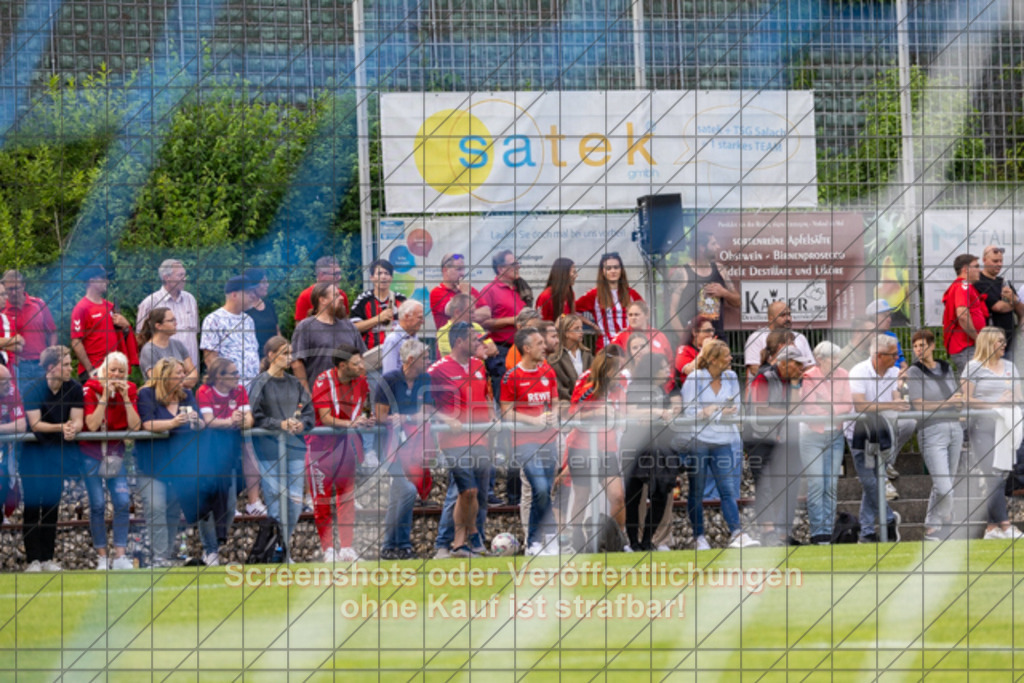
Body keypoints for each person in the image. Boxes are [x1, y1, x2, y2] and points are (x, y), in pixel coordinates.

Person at [682, 340, 758, 549]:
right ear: (713, 359)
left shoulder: (731, 377)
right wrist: (715, 412)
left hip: (723, 441)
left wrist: (711, 412)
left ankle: (737, 533)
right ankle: (699, 537)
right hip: (699, 441)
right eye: (726, 355)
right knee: (696, 490)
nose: (731, 358)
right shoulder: (695, 378)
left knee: (727, 489)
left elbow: (734, 409)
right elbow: (690, 412)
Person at [428, 322, 495, 558]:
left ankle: (465, 542)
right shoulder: (437, 370)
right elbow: (426, 406)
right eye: (474, 339)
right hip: (455, 441)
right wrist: (447, 419)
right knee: (467, 491)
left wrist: (492, 417)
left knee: (477, 493)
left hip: (482, 439)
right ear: (458, 342)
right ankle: (458, 541)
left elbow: (485, 396)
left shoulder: (479, 365)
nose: (479, 343)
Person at [248, 337, 316, 555]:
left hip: (294, 450)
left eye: (291, 353)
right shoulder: (259, 383)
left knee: (295, 503)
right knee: (275, 504)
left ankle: (282, 549)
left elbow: (309, 412)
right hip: (268, 451)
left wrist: (300, 424)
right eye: (285, 353)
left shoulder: (294, 382)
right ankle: (277, 551)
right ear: (271, 356)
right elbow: (255, 416)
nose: (290, 358)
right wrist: (280, 424)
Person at [308, 345, 372, 563]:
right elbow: (325, 419)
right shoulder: (323, 381)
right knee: (322, 500)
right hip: (320, 447)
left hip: (345, 445)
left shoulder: (361, 382)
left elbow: (360, 411)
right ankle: (328, 550)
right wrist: (352, 423)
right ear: (342, 365)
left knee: (347, 498)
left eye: (361, 360)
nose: (362, 365)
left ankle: (347, 548)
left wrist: (365, 420)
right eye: (357, 363)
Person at [137, 358, 203, 566]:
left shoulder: (187, 395)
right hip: (151, 466)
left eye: (184, 373)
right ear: (165, 376)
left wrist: (195, 422)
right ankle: (159, 557)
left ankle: (165, 555)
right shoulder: (146, 394)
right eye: (179, 374)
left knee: (173, 511)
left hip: (179, 467)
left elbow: (201, 422)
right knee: (156, 507)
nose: (184, 377)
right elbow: (147, 424)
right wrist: (173, 423)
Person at [22, 346, 82, 572]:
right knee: (31, 507)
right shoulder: (32, 388)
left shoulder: (75, 388)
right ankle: (33, 561)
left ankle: (47, 559)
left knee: (51, 506)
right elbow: (35, 424)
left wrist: (72, 429)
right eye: (66, 364)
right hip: (32, 455)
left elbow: (78, 420)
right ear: (51, 367)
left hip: (57, 455)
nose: (70, 368)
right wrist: (61, 427)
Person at [845, 335, 911, 543]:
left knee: (872, 482)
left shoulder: (893, 372)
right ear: (879, 356)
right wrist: (893, 405)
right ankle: (889, 519)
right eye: (894, 355)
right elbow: (861, 406)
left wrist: (900, 393)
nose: (898, 359)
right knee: (869, 481)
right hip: (859, 433)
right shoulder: (858, 371)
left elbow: (895, 399)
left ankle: (866, 532)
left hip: (881, 432)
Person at [500, 328, 559, 555]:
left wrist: (554, 413)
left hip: (549, 440)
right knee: (541, 488)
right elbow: (507, 412)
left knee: (543, 492)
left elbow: (555, 401)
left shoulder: (548, 371)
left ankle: (538, 542)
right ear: (527, 348)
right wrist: (534, 421)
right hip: (525, 442)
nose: (544, 346)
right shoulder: (511, 376)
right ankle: (541, 538)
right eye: (539, 343)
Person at [962, 327, 1024, 540]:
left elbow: (1019, 394)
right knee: (993, 474)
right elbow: (966, 399)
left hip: (1006, 426)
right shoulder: (973, 367)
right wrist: (995, 402)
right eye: (999, 340)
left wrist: (1012, 397)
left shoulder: (1009, 366)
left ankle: (991, 529)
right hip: (983, 427)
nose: (1004, 344)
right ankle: (1006, 526)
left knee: (999, 476)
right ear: (988, 343)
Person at [81, 351, 140, 570]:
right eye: (112, 370)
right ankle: (102, 557)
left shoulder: (131, 390)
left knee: (123, 502)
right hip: (91, 454)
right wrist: (105, 396)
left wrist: (125, 399)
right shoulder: (90, 388)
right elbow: (93, 424)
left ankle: (121, 555)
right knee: (97, 504)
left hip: (116, 454)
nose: (116, 375)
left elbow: (135, 427)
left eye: (121, 371)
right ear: (103, 371)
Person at [564, 346, 627, 550]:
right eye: (618, 370)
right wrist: (596, 412)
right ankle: (575, 539)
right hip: (581, 447)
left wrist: (618, 416)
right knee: (581, 496)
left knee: (617, 496)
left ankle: (618, 540)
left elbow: (623, 412)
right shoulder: (587, 383)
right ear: (608, 370)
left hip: (607, 449)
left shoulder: (621, 384)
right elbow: (572, 414)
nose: (621, 375)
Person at [375, 339, 432, 560]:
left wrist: (404, 417)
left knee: (399, 496)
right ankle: (398, 543)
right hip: (389, 446)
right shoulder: (389, 380)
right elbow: (380, 417)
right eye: (425, 358)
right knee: (407, 492)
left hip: (413, 447)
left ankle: (393, 546)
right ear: (411, 360)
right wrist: (399, 419)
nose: (429, 361)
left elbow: (426, 413)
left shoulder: (425, 379)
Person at [906, 329, 965, 541]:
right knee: (944, 487)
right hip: (931, 430)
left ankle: (931, 528)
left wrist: (958, 402)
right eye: (915, 346)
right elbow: (919, 405)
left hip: (954, 428)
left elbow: (956, 393)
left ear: (932, 345)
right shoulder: (914, 372)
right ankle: (947, 521)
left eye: (922, 345)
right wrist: (948, 403)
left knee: (946, 482)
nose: (919, 350)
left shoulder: (946, 367)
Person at [747, 346, 808, 545]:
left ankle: (780, 534)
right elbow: (760, 410)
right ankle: (768, 532)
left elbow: (796, 410)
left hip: (780, 439)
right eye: (797, 364)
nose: (801, 368)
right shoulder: (762, 378)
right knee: (764, 484)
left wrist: (796, 385)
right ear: (784, 363)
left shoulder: (792, 381)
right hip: (759, 439)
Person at [195, 358, 254, 565]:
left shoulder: (240, 391)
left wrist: (240, 421)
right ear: (219, 376)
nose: (238, 377)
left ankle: (216, 547)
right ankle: (210, 550)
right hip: (207, 456)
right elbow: (210, 421)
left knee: (229, 505)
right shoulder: (204, 391)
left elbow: (249, 419)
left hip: (230, 456)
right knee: (207, 505)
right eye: (233, 373)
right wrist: (231, 421)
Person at [621, 352, 680, 552]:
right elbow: (630, 412)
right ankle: (633, 541)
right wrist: (654, 412)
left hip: (659, 448)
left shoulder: (661, 390)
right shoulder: (637, 388)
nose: (667, 370)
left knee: (661, 492)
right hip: (636, 447)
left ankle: (648, 539)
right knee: (633, 495)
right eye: (663, 367)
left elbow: (666, 415)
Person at [799, 341, 853, 545]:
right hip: (811, 436)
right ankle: (818, 533)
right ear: (820, 360)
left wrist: (829, 407)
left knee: (831, 485)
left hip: (835, 436)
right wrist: (834, 407)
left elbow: (847, 404)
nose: (838, 362)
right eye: (833, 358)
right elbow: (811, 409)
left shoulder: (844, 375)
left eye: (838, 358)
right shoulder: (809, 377)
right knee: (816, 485)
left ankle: (829, 532)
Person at [291, 283, 366, 393]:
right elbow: (297, 363)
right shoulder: (306, 327)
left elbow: (362, 358)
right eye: (336, 295)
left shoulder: (349, 326)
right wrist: (306, 394)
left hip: (348, 397)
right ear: (322, 300)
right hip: (320, 396)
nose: (341, 298)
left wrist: (359, 389)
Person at [668, 232, 739, 339]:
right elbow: (672, 311)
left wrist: (724, 293)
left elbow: (738, 302)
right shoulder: (682, 273)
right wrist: (686, 339)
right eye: (713, 244)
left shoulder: (720, 269)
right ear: (702, 247)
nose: (718, 247)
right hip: (694, 343)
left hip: (717, 340)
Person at [70, 265, 135, 378]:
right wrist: (90, 369)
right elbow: (76, 341)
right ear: (92, 281)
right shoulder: (81, 308)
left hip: (113, 369)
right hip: (95, 369)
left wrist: (125, 326)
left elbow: (122, 338)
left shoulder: (110, 306)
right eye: (103, 278)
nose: (107, 281)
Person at [134, 259, 199, 368]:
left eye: (184, 275)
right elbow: (142, 338)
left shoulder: (190, 299)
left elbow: (195, 333)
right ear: (166, 277)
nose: (185, 279)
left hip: (191, 370)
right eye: (180, 275)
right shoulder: (150, 303)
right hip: (164, 372)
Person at [200, 274, 262, 388]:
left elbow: (253, 352)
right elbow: (210, 360)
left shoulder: (248, 320)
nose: (253, 296)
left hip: (253, 390)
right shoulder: (213, 320)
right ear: (234, 295)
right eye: (248, 293)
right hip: (230, 391)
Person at [575, 252, 643, 351]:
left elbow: (645, 314)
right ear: (602, 271)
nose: (613, 271)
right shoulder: (594, 295)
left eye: (616, 267)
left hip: (629, 348)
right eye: (608, 268)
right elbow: (572, 311)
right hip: (606, 348)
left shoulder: (631, 294)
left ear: (621, 270)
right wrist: (592, 325)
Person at [479, 250, 527, 386]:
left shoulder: (520, 290)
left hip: (520, 350)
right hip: (501, 351)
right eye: (514, 264)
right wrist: (511, 320)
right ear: (500, 269)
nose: (518, 267)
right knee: (503, 393)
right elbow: (481, 323)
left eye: (518, 263)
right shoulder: (490, 290)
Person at [2, 270, 56, 390]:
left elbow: (52, 332)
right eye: (10, 289)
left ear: (23, 285)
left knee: (45, 402)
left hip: (42, 364)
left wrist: (50, 354)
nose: (14, 292)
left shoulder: (38, 304)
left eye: (17, 288)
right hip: (19, 367)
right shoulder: (2, 311)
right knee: (23, 403)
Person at [974, 245, 1024, 362]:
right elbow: (999, 307)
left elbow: (1021, 310)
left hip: (1009, 343)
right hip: (990, 344)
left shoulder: (1004, 281)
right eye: (995, 261)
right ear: (984, 260)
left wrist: (1013, 299)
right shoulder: (979, 281)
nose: (999, 264)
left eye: (1001, 261)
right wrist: (1014, 301)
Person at [744, 300, 815, 378]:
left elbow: (810, 367)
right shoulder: (757, 337)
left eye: (789, 314)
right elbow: (754, 369)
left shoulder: (800, 337)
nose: (788, 318)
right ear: (771, 319)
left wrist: (795, 380)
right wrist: (783, 379)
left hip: (797, 388)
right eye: (783, 315)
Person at [942, 253, 987, 374]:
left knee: (974, 385)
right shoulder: (963, 285)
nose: (980, 270)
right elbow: (962, 314)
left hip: (966, 346)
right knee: (973, 387)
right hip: (965, 347)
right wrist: (978, 339)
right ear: (965, 269)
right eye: (976, 266)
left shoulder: (963, 286)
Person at [351, 259, 406, 350]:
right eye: (379, 274)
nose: (383, 277)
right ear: (371, 277)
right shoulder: (363, 300)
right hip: (369, 355)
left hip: (397, 353)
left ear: (391, 278)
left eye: (387, 273)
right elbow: (354, 328)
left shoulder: (401, 299)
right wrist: (378, 319)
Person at [138, 307, 199, 387]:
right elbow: (158, 381)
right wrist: (183, 380)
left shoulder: (178, 345)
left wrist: (177, 382)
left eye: (175, 320)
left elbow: (194, 375)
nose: (176, 323)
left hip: (182, 396)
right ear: (159, 326)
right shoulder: (149, 350)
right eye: (171, 320)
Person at [429, 253, 487, 329]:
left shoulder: (468, 288)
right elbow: (456, 313)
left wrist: (468, 314)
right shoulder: (436, 292)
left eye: (463, 269)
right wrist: (465, 294)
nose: (463, 273)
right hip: (449, 339)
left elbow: (487, 313)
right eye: (458, 269)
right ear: (445, 270)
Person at [548, 314, 592, 403]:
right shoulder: (555, 359)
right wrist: (575, 402)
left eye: (581, 328)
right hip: (567, 406)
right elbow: (559, 388)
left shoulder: (588, 356)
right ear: (566, 333)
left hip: (589, 404)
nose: (581, 332)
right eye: (576, 329)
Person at [295, 256, 349, 323]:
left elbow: (347, 324)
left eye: (339, 273)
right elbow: (300, 329)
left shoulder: (341, 295)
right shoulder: (305, 296)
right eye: (335, 274)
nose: (339, 277)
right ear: (321, 275)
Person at [436, 294, 491, 358]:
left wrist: (481, 352)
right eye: (471, 312)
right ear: (457, 313)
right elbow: (459, 355)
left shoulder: (476, 326)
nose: (474, 316)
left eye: (474, 312)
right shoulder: (443, 332)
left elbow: (492, 348)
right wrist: (481, 351)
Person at [379, 300, 424, 376]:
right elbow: (389, 376)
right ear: (406, 316)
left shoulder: (414, 337)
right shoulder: (393, 340)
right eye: (419, 318)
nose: (423, 322)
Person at [243, 268, 281, 356]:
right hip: (254, 359)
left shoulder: (269, 305)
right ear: (252, 285)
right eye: (263, 282)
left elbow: (277, 331)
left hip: (273, 358)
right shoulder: (243, 309)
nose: (267, 285)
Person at [673, 315, 715, 387]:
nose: (711, 334)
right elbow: (689, 371)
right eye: (708, 331)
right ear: (695, 332)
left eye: (712, 330)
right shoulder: (683, 350)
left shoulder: (711, 348)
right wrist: (704, 351)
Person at [865, 299, 907, 369]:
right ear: (873, 318)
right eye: (885, 316)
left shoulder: (892, 336)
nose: (889, 319)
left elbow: (903, 363)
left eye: (889, 316)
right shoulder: (866, 339)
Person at [535, 258, 577, 322]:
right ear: (563, 274)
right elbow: (538, 323)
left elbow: (568, 317)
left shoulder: (570, 294)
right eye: (574, 272)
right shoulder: (545, 296)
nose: (576, 275)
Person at [0, 281, 25, 367]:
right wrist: (11, 342)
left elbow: (19, 346)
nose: (6, 297)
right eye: (2, 295)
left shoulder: (6, 319)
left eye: (5, 294)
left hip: (9, 370)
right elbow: (15, 340)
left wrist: (2, 344)